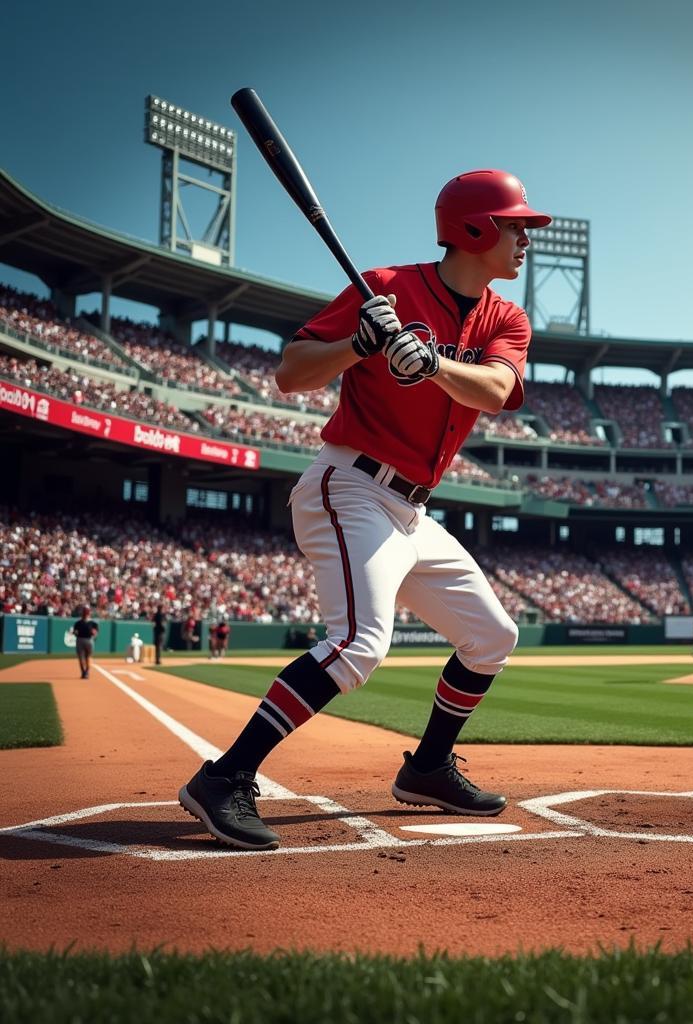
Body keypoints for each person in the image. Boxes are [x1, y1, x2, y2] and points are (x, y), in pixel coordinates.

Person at [179, 169, 550, 850]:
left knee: (493, 636)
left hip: (412, 510)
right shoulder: (385, 287)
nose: (526, 238)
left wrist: (431, 361)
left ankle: (429, 767)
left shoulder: (506, 317)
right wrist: (361, 344)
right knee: (358, 643)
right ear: (473, 228)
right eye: (515, 224)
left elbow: (496, 389)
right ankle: (224, 778)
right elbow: (291, 372)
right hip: (350, 484)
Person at [72, 605, 99, 679]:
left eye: (86, 612)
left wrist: (94, 633)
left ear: (88, 613)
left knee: (87, 657)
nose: (85, 614)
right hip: (80, 640)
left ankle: (86, 672)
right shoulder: (78, 623)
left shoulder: (93, 623)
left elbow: (96, 632)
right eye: (84, 612)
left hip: (89, 640)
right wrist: (75, 632)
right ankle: (83, 672)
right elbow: (75, 632)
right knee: (81, 658)